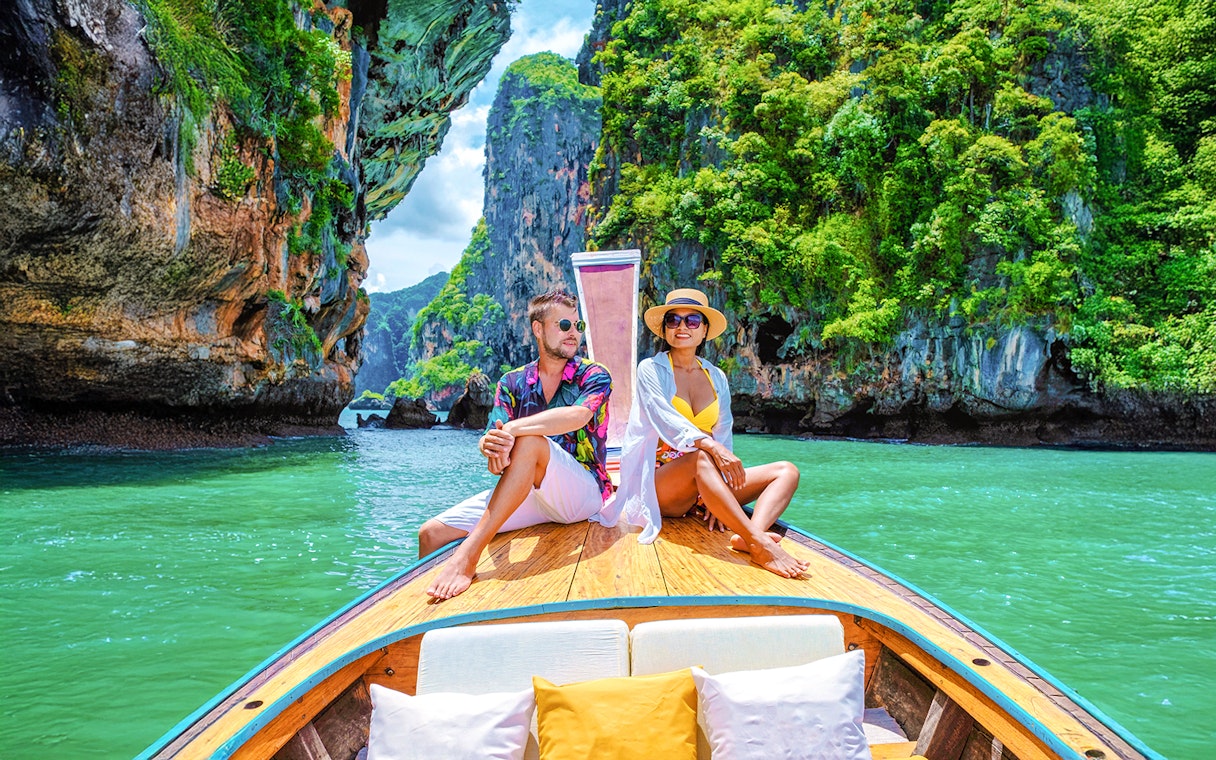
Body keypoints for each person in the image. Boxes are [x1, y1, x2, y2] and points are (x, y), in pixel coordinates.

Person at [595, 288, 808, 578]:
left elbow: (724, 433)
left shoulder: (716, 376)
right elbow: (665, 419)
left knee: (786, 471)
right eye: (673, 320)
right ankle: (760, 544)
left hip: (705, 476)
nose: (682, 327)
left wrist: (717, 490)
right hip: (662, 483)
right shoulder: (651, 370)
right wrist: (712, 449)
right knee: (700, 458)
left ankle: (747, 535)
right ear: (664, 329)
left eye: (692, 320)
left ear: (704, 329)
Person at [418, 289, 612, 600]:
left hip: (583, 494)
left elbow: (577, 415)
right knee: (431, 533)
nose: (573, 333)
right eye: (564, 325)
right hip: (529, 491)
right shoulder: (512, 382)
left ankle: (468, 555)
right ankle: (419, 612)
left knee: (531, 443)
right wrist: (493, 447)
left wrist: (512, 431)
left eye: (578, 326)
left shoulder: (594, 375)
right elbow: (491, 434)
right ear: (539, 329)